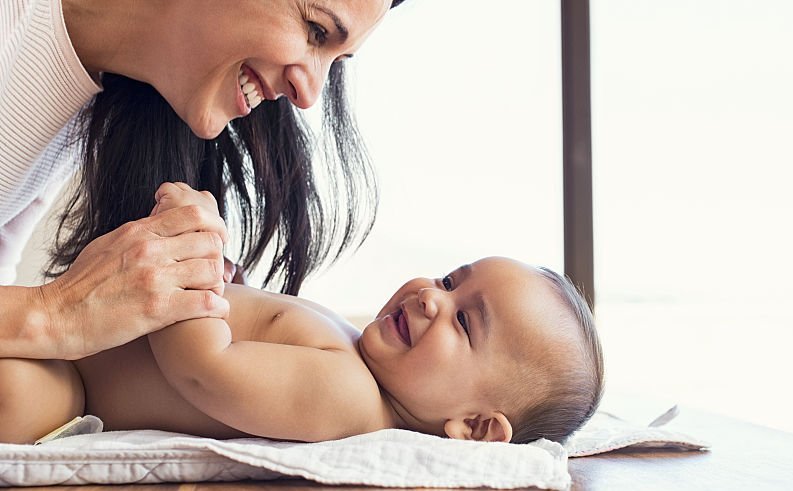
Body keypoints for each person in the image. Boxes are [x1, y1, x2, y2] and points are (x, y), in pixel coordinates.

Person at [0, 184, 604, 445]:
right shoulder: (354, 356)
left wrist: (190, 257)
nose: (430, 298)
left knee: (13, 391)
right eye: (450, 280)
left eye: (464, 323)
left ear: (473, 428)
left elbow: (204, 370)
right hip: (79, 347)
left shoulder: (349, 397)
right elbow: (256, 327)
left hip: (75, 388)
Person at [0, 0, 403, 361]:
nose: (310, 95)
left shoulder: (81, 99)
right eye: (316, 31)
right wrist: (58, 313)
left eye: (337, 60)